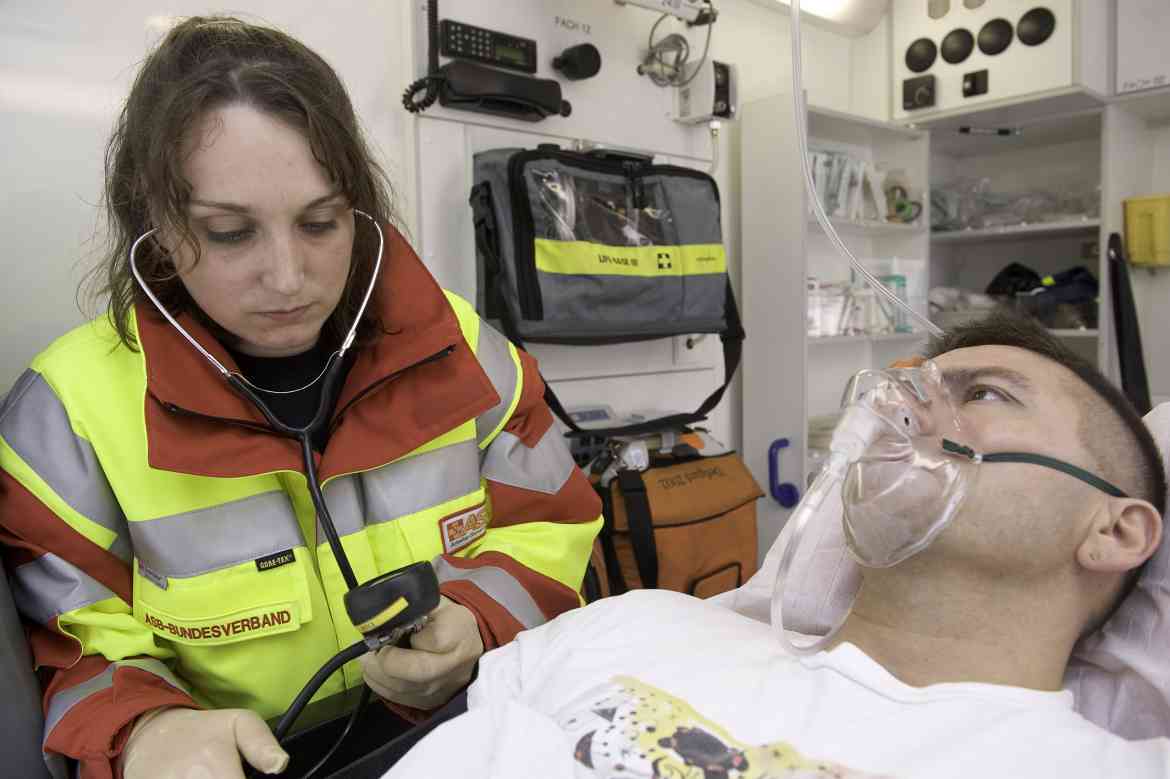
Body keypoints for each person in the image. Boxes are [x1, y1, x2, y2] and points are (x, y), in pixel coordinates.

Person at [0, 16, 602, 779]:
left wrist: (477, 620)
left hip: (468, 733)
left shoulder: (462, 344)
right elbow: (66, 642)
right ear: (154, 224)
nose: (287, 278)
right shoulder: (66, 414)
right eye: (229, 234)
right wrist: (144, 725)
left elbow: (555, 522)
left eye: (320, 222)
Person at [387, 314, 1170, 778]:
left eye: (985, 395)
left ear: (1116, 530)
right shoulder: (633, 626)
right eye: (908, 390)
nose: (905, 411)